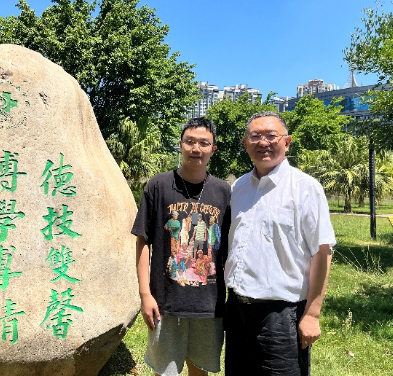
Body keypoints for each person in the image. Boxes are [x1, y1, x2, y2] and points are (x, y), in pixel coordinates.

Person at [224, 111, 336, 376]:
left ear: (287, 142)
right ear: (245, 144)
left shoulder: (305, 188)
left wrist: (312, 314)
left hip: (281, 313)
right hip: (237, 309)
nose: (263, 142)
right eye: (255, 136)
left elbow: (322, 252)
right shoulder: (239, 187)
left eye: (271, 135)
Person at [132, 117, 231, 376]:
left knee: (200, 371)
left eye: (203, 143)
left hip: (209, 305)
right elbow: (143, 241)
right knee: (165, 371)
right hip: (165, 303)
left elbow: (229, 248)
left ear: (213, 149)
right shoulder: (158, 185)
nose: (196, 148)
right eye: (190, 142)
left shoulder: (223, 191)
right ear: (180, 145)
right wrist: (145, 294)